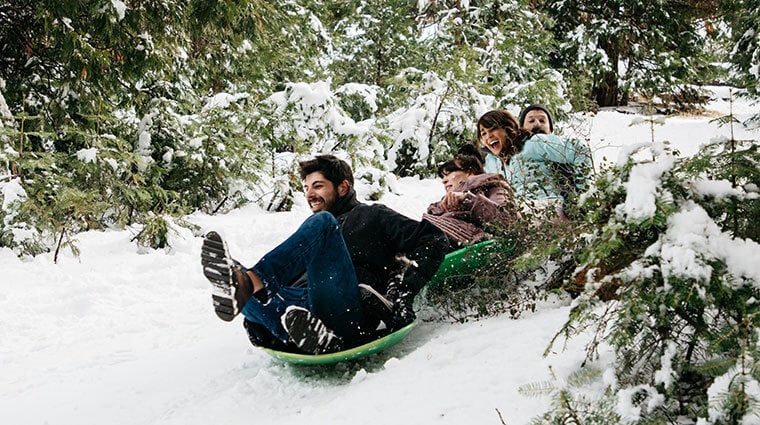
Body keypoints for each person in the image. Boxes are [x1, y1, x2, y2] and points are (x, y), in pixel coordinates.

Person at [201, 154, 449, 355]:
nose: (309, 194)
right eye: (306, 187)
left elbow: (433, 240)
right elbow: (283, 281)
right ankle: (305, 333)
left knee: (321, 224)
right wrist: (254, 320)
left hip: (344, 306)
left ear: (343, 188)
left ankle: (252, 288)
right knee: (230, 269)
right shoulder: (310, 238)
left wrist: (408, 291)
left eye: (317, 186)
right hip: (299, 309)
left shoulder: (372, 216)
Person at [476, 109, 591, 216]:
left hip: (547, 207)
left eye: (493, 129)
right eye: (483, 133)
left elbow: (580, 151)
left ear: (508, 128)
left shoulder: (533, 143)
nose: (489, 136)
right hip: (518, 215)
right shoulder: (492, 162)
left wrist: (582, 194)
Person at [422, 146, 513, 250]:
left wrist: (467, 199)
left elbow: (507, 221)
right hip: (439, 239)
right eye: (442, 177)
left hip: (468, 239)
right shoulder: (443, 203)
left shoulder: (493, 188)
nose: (444, 180)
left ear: (470, 172)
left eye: (448, 174)